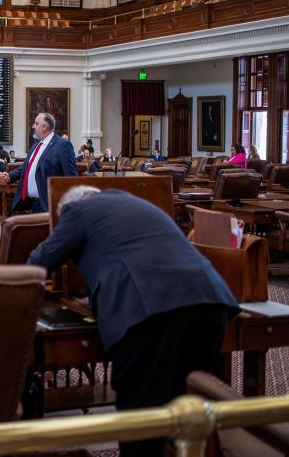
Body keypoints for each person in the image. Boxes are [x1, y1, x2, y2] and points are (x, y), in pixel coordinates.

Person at [28, 186, 238, 456]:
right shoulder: (136, 204)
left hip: (151, 310)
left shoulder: (77, 211)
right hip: (210, 300)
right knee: (189, 413)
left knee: (142, 418)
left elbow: (38, 262)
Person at [0, 113, 77, 213]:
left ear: (45, 127)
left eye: (36, 124)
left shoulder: (63, 145)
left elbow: (71, 177)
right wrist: (8, 177)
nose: (33, 126)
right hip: (33, 203)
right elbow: (25, 168)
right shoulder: (36, 146)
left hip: (50, 205)